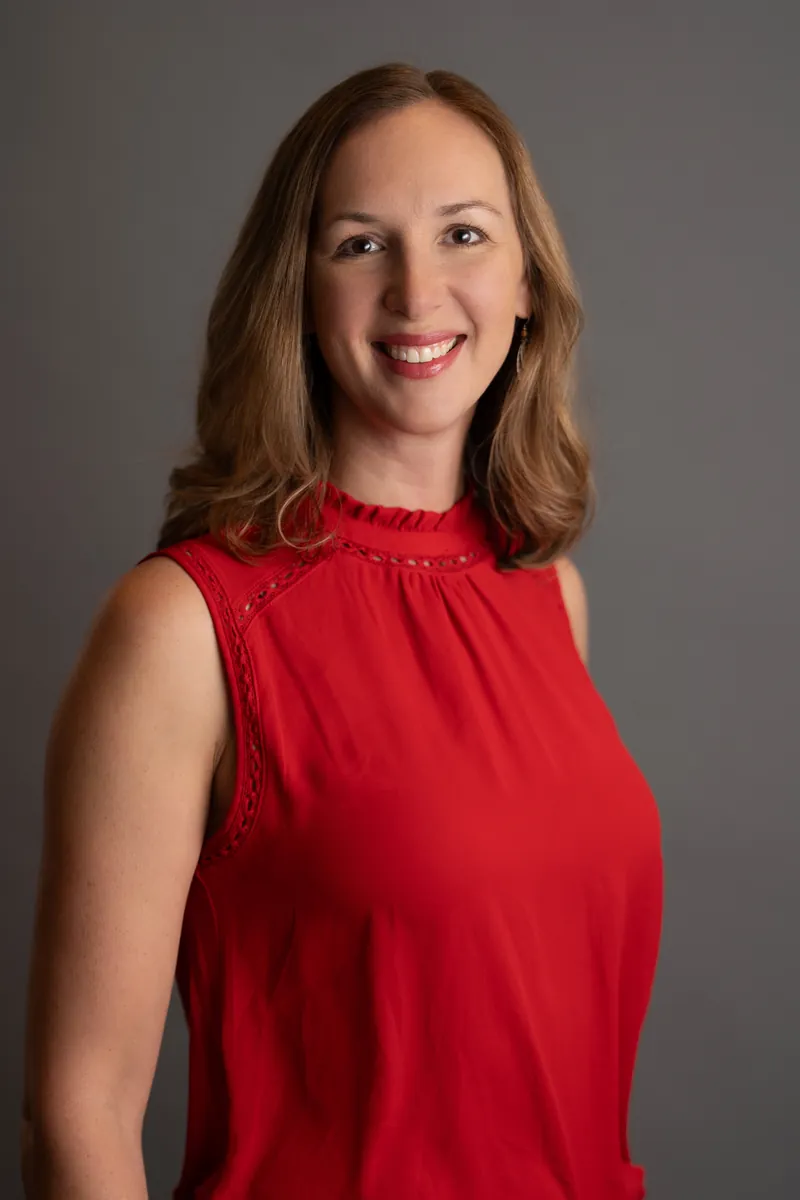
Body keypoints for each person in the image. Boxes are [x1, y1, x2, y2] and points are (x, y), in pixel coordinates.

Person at [21, 61, 663, 1200]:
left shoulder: (543, 590)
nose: (417, 293)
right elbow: (78, 1116)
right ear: (298, 292)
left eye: (463, 234)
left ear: (525, 283)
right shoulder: (186, 623)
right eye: (360, 245)